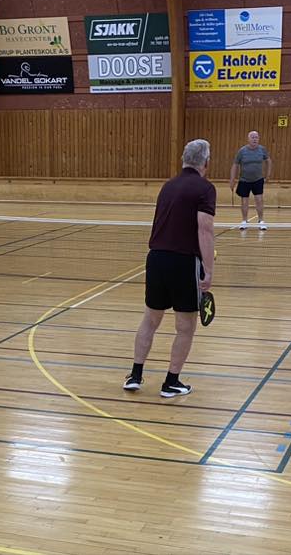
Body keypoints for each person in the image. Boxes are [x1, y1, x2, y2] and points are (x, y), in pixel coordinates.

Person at [123, 139, 215, 398]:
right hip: (183, 263)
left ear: (183, 159)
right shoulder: (205, 188)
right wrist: (209, 269)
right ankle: (171, 382)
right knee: (185, 327)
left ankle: (135, 375)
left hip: (156, 259)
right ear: (206, 163)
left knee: (150, 320)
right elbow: (205, 229)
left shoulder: (168, 185)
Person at [230, 130, 272, 231]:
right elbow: (235, 164)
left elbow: (268, 161)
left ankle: (261, 221)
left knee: (259, 200)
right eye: (252, 137)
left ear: (259, 139)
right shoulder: (242, 151)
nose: (254, 139)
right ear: (248, 139)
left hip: (258, 180)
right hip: (244, 180)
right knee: (244, 201)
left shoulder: (262, 150)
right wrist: (232, 179)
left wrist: (268, 175)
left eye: (256, 137)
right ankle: (244, 221)